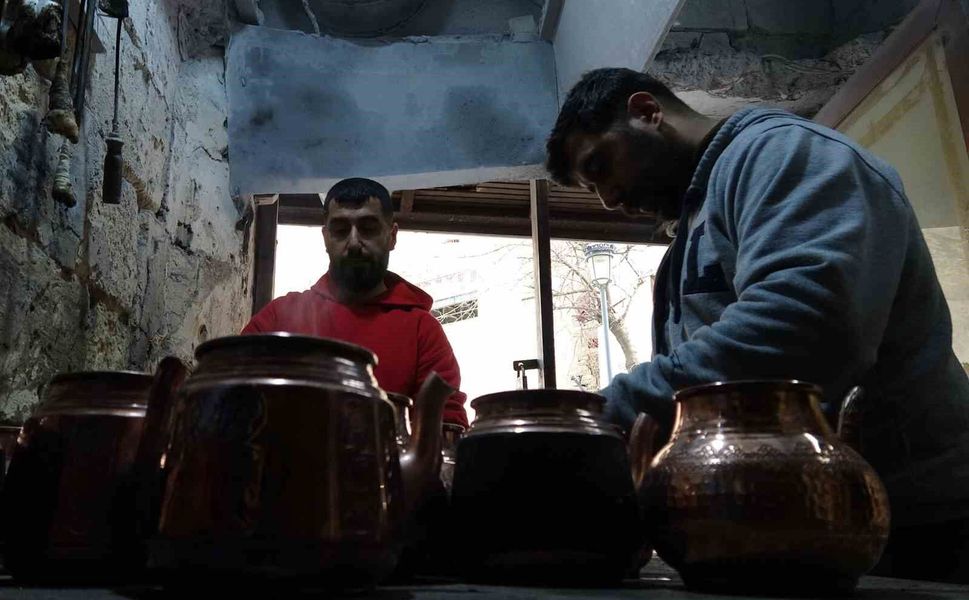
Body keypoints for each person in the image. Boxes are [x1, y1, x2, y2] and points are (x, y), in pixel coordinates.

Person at [545, 67, 969, 582]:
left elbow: (802, 330)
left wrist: (606, 412)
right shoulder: (697, 222)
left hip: (910, 528)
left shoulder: (785, 154)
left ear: (646, 112)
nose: (609, 199)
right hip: (808, 526)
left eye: (600, 165)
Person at [243, 178, 469, 428]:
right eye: (340, 230)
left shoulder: (422, 331)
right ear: (326, 237)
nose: (353, 243)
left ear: (392, 236)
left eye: (368, 228)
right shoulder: (279, 318)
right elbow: (232, 401)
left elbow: (446, 428)